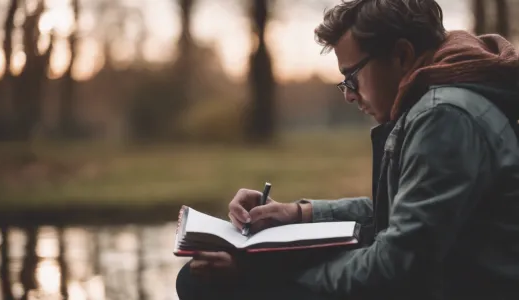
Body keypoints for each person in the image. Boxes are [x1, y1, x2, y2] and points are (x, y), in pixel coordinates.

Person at [176, 0, 519, 299]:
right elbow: (402, 212)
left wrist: (257, 271)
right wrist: (298, 214)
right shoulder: (443, 98)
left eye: (351, 76)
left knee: (203, 283)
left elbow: (394, 267)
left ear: (401, 55)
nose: (349, 94)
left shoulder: (444, 116)